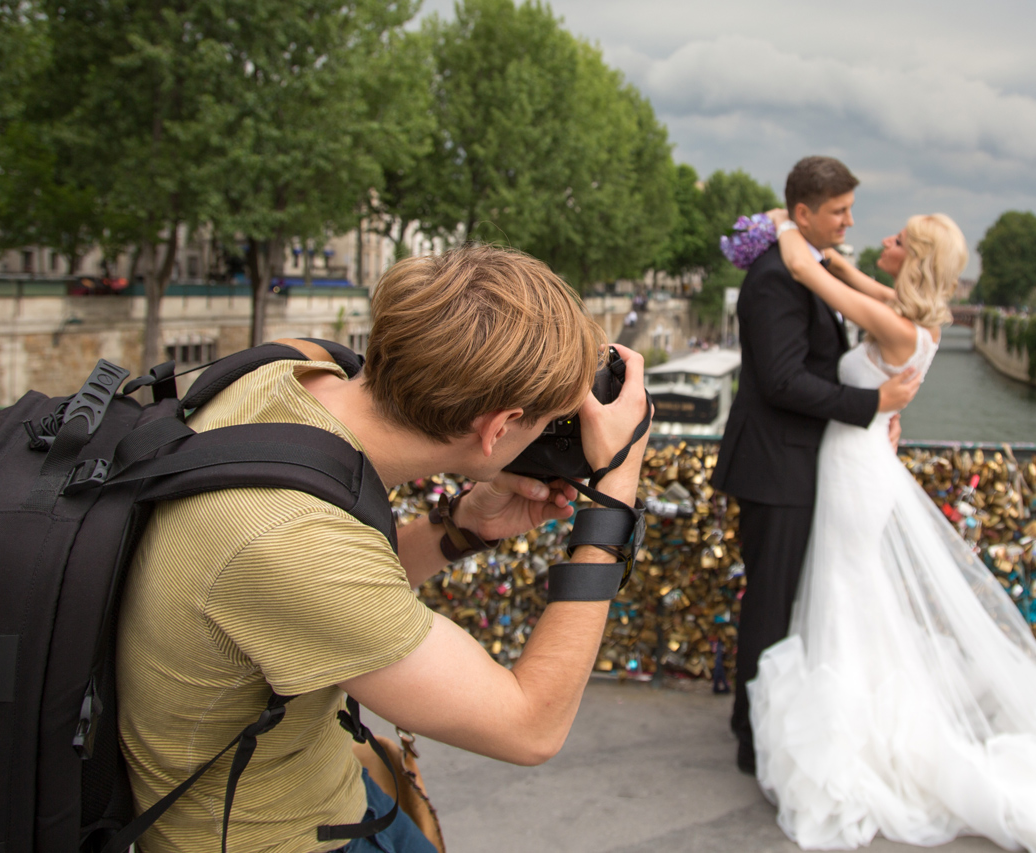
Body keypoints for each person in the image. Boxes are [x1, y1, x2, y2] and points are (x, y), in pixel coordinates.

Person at [116, 245, 651, 852]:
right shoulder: (287, 541)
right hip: (274, 837)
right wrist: (615, 497)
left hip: (317, 781)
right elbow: (530, 728)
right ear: (498, 429)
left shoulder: (285, 373)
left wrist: (461, 528)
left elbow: (316, 598)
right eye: (546, 422)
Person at [748, 210, 1036, 851]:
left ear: (915, 260)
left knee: (848, 585)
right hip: (866, 460)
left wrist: (777, 221)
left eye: (898, 240)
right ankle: (860, 706)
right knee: (856, 586)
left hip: (856, 468)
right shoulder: (917, 318)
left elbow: (802, 267)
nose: (884, 241)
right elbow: (842, 271)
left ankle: (856, 718)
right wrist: (834, 256)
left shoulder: (894, 324)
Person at [708, 156, 922, 775]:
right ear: (804, 213)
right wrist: (872, 403)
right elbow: (780, 381)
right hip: (776, 467)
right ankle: (754, 737)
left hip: (794, 462)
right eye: (839, 211)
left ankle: (769, 721)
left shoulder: (805, 266)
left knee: (783, 602)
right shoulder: (777, 277)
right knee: (770, 605)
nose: (851, 221)